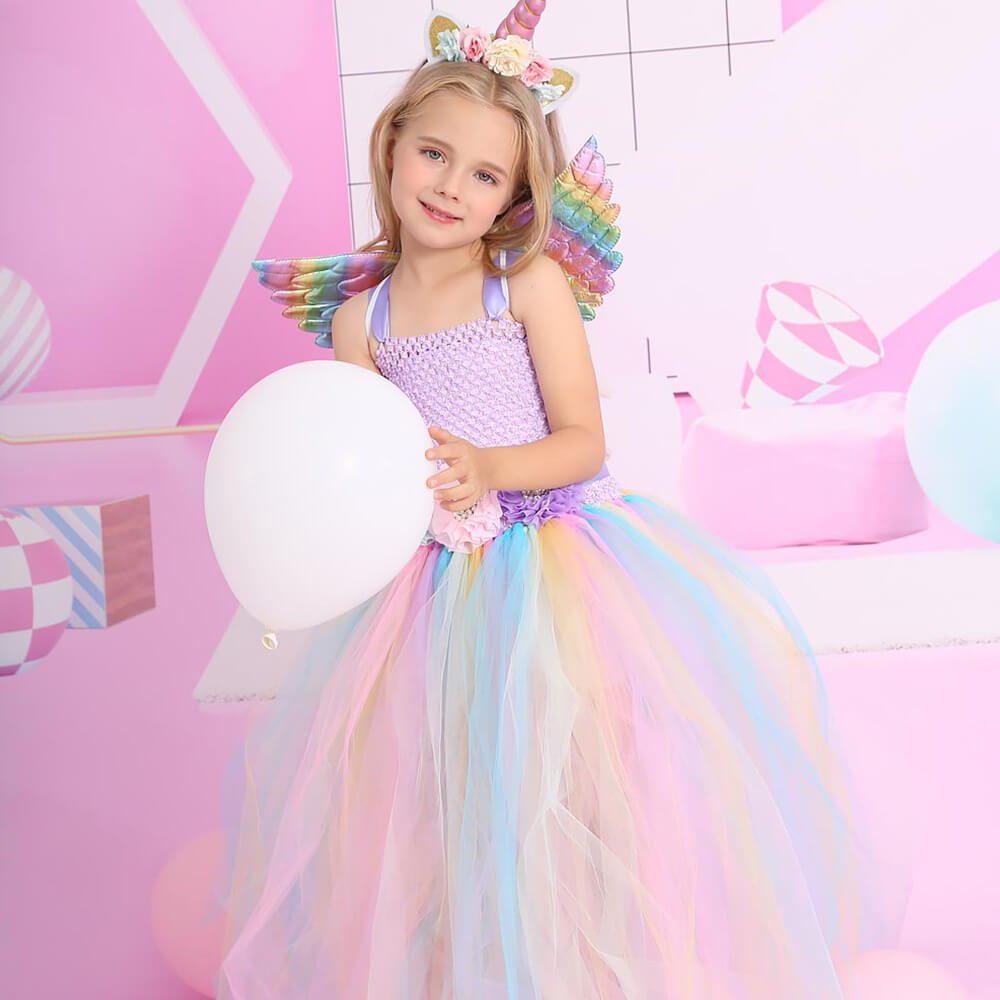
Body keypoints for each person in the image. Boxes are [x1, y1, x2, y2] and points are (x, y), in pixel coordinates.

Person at [217, 4, 897, 997]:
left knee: (572, 793)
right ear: (391, 149)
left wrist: (488, 466)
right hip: (430, 593)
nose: (451, 186)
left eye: (483, 174)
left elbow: (583, 440)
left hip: (556, 571)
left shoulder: (523, 287)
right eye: (434, 155)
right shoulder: (363, 319)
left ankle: (586, 970)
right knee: (446, 802)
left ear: (514, 198)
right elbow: (357, 466)